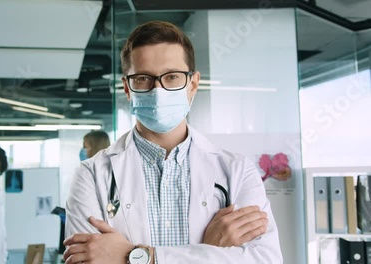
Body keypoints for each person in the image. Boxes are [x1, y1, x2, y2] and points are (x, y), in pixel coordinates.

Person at [64, 21, 283, 264]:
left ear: (193, 84)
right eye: (143, 78)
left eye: (172, 77)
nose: (158, 90)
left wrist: (138, 257)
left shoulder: (238, 171)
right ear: (127, 88)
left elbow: (264, 260)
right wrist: (210, 250)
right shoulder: (91, 176)